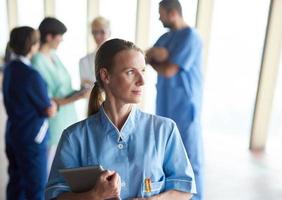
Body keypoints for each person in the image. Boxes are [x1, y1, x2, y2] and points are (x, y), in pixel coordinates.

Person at [46, 39, 196, 200]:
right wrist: (94, 195)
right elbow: (55, 196)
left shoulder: (165, 130)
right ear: (105, 76)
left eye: (143, 71)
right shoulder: (74, 137)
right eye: (131, 72)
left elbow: (183, 189)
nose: (142, 81)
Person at [146, 0, 204, 199]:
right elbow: (147, 56)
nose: (159, 17)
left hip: (185, 106)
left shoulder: (191, 37)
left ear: (172, 13)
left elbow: (169, 70)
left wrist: (162, 58)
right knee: (167, 157)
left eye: (161, 13)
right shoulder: (165, 37)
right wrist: (160, 57)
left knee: (190, 158)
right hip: (165, 104)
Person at [2, 26, 57, 200]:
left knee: (16, 184)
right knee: (37, 189)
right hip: (31, 139)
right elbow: (48, 109)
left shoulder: (8, 69)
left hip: (13, 134)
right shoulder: (32, 75)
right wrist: (55, 105)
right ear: (33, 45)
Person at [31, 17, 89, 171]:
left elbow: (63, 89)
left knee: (68, 165)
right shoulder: (37, 61)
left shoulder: (54, 56)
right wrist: (77, 97)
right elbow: (47, 98)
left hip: (68, 117)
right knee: (52, 168)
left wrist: (80, 90)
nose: (62, 40)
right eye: (60, 36)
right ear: (49, 36)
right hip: (54, 121)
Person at [79, 16, 111, 88]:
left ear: (109, 32)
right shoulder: (84, 61)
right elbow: (85, 87)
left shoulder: (119, 57)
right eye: (94, 32)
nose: (98, 36)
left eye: (102, 32)